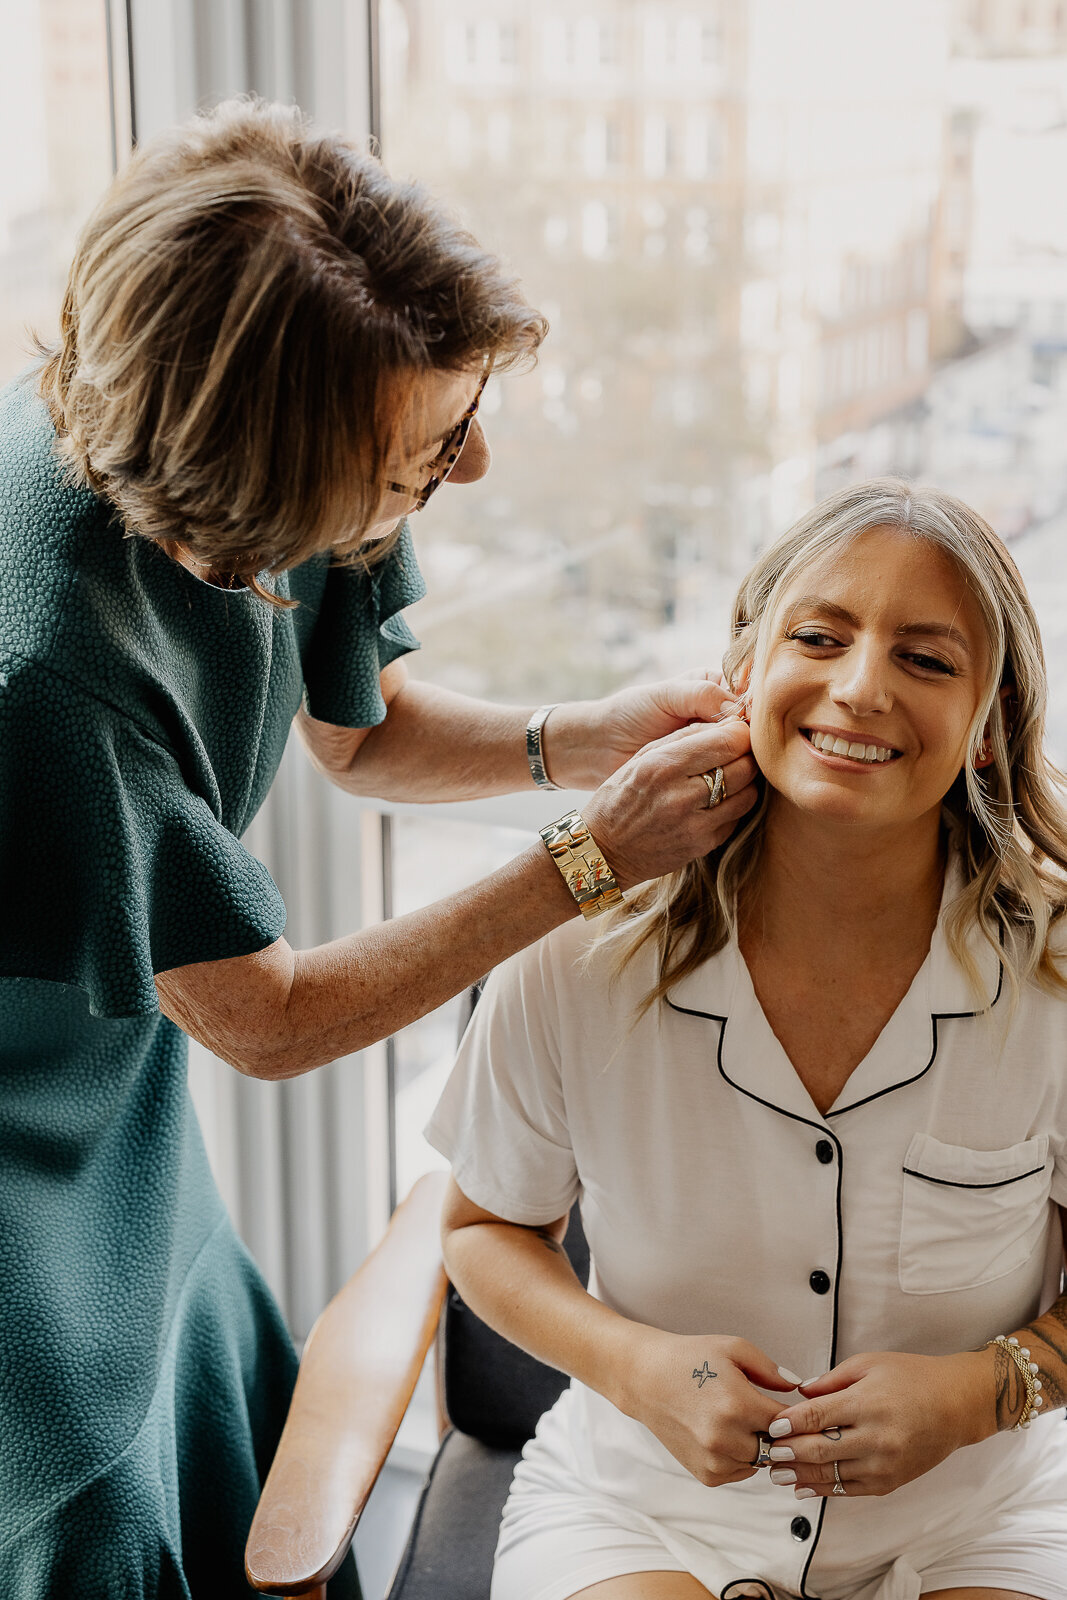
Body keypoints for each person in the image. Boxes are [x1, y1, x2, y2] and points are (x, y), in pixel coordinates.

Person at [0, 98, 759, 1598]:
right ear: (250, 492)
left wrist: (583, 733)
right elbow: (267, 1020)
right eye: (428, 456)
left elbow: (356, 729)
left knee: (220, 1413)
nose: (463, 478)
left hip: (130, 1119)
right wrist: (586, 860)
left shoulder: (319, 437)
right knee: (94, 1497)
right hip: (25, 1155)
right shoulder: (50, 674)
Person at [430, 477, 1067, 1600]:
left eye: (925, 659)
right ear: (743, 670)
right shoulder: (575, 947)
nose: (860, 687)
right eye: (818, 636)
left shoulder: (1056, 970)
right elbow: (484, 1228)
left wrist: (983, 1390)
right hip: (638, 1513)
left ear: (983, 727)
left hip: (983, 1516)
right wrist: (634, 1367)